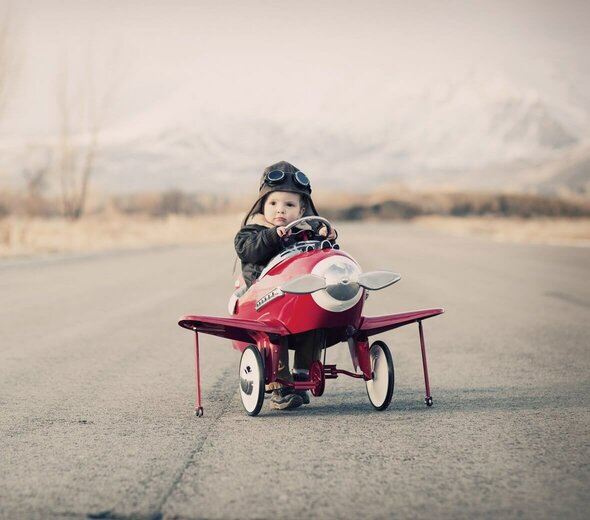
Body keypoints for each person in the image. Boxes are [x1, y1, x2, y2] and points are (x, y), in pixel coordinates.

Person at [234, 161, 337, 411]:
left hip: (298, 299)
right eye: (273, 204)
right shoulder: (252, 232)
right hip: (263, 300)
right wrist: (272, 235)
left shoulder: (306, 233)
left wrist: (328, 237)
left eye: (289, 205)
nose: (280, 210)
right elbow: (248, 250)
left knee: (314, 326)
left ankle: (303, 375)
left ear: (301, 211)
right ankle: (280, 385)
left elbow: (322, 257)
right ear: (263, 206)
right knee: (274, 333)